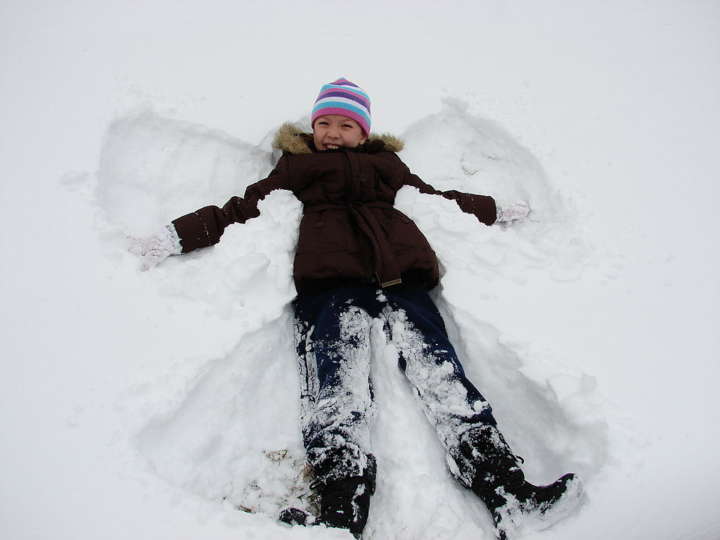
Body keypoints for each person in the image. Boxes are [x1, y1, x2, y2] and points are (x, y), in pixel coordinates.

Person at [130, 78, 582, 539]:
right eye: (324, 122)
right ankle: (340, 504)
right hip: (330, 290)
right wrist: (174, 236)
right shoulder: (298, 169)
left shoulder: (387, 166)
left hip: (401, 285)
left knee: (442, 375)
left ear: (363, 133)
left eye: (345, 125)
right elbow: (239, 210)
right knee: (335, 387)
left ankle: (505, 487)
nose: (332, 132)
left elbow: (436, 200)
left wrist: (492, 209)